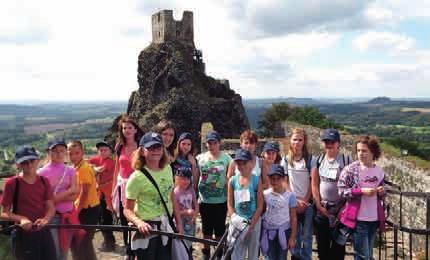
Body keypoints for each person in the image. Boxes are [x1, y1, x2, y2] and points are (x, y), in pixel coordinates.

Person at [123, 132, 174, 260]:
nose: (155, 151)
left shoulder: (168, 169)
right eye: (150, 148)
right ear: (142, 151)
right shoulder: (136, 178)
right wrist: (139, 222)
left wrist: (177, 222)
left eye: (158, 147)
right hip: (147, 229)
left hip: (166, 225)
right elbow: (127, 209)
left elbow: (171, 196)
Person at [0, 146, 56, 260]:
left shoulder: (44, 181)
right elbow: (3, 213)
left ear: (38, 161)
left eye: (32, 161)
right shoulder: (12, 183)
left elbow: (51, 207)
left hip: (44, 232)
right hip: (22, 235)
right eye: (25, 162)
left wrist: (46, 219)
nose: (29, 165)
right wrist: (21, 219)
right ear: (18, 165)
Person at [338, 135, 386, 260]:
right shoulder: (350, 170)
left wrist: (381, 192)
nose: (360, 154)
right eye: (358, 150)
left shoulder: (379, 171)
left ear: (373, 152)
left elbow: (381, 195)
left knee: (367, 255)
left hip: (374, 219)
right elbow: (341, 191)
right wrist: (361, 191)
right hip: (358, 219)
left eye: (364, 151)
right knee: (363, 255)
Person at [311, 129, 352, 260]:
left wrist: (344, 208)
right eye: (326, 141)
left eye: (332, 142)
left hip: (341, 212)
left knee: (338, 248)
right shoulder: (318, 160)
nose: (329, 144)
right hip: (322, 211)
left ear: (338, 143)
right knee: (322, 248)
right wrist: (318, 204)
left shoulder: (346, 160)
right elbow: (314, 184)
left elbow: (352, 185)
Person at [39, 138, 79, 259]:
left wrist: (53, 199)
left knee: (64, 251)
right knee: (55, 252)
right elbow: (43, 200)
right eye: (55, 151)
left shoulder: (70, 170)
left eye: (62, 150)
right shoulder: (41, 173)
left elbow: (75, 194)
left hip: (68, 216)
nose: (59, 153)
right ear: (48, 152)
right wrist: (69, 191)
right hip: (52, 217)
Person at [197, 130, 232, 260]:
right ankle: (205, 253)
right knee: (206, 228)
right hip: (205, 200)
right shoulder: (200, 158)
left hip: (221, 200)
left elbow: (231, 178)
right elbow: (196, 177)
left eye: (214, 143)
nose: (212, 146)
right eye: (209, 143)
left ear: (219, 143)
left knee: (219, 229)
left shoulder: (227, 159)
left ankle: (218, 252)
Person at [280, 128, 313, 260]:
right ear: (290, 141)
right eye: (295, 139)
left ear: (304, 141)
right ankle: (296, 256)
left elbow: (313, 182)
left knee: (307, 234)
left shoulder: (310, 159)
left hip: (307, 203)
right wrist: (294, 199)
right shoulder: (286, 160)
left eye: (300, 140)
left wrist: (305, 200)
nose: (297, 142)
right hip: (292, 202)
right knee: (295, 232)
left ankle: (306, 257)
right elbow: (284, 181)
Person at [111, 115, 142, 249]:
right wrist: (113, 190)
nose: (127, 130)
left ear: (135, 130)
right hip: (122, 186)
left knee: (137, 215)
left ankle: (137, 247)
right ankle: (128, 247)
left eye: (130, 127)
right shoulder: (119, 147)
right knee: (125, 219)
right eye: (124, 128)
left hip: (138, 185)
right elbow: (117, 169)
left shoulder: (141, 146)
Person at [227, 149, 263, 260]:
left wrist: (252, 224)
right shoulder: (232, 181)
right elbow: (230, 203)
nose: (241, 166)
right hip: (238, 222)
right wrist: (234, 218)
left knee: (253, 253)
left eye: (244, 163)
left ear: (250, 163)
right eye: (238, 163)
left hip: (254, 221)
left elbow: (260, 205)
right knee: (236, 253)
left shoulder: (256, 180)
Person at [68, 140, 100, 260]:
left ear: (82, 152)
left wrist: (76, 211)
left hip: (87, 209)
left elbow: (84, 193)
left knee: (83, 242)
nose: (73, 156)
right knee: (81, 242)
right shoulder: (77, 167)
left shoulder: (83, 169)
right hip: (85, 208)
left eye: (76, 153)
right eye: (70, 154)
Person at [260, 164, 297, 260]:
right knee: (269, 257)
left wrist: (292, 237)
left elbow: (293, 217)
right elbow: (262, 211)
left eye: (278, 178)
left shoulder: (290, 196)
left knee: (281, 257)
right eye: (273, 178)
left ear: (283, 178)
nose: (275, 181)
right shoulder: (265, 194)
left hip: (284, 231)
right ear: (269, 178)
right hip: (268, 231)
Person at [88, 141, 116, 252]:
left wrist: (89, 169)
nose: (103, 152)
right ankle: (108, 241)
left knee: (106, 219)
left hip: (108, 196)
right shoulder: (98, 159)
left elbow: (99, 170)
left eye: (105, 150)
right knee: (102, 219)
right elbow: (85, 162)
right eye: (100, 150)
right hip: (101, 195)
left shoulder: (110, 161)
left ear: (110, 151)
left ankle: (109, 243)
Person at [172, 166, 198, 250]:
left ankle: (189, 252)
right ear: (177, 179)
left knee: (189, 240)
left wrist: (195, 215)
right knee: (181, 241)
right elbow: (174, 212)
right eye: (183, 179)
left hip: (190, 220)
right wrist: (186, 212)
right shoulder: (175, 192)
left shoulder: (191, 190)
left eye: (188, 179)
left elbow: (195, 203)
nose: (186, 181)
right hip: (180, 220)